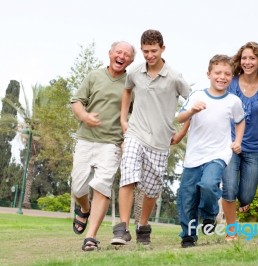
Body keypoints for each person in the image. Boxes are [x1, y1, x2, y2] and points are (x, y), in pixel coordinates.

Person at [110, 29, 191, 246]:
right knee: (128, 174)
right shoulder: (135, 72)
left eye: (153, 51)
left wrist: (182, 131)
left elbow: (191, 102)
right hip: (136, 133)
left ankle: (142, 225)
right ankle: (122, 228)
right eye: (145, 51)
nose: (149, 55)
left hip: (160, 141)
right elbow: (127, 91)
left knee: (152, 189)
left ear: (163, 49)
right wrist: (123, 119)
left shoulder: (174, 77)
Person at [70, 41, 135, 251]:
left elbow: (134, 114)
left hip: (112, 143)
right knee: (77, 187)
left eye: (126, 54)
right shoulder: (94, 76)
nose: (122, 56)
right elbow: (76, 102)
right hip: (86, 139)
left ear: (131, 60)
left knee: (102, 186)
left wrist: (128, 138)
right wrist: (85, 116)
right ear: (110, 54)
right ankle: (84, 207)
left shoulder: (131, 84)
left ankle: (91, 237)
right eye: (119, 52)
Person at [177, 54, 245, 248]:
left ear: (231, 77)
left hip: (219, 153)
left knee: (208, 185)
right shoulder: (197, 95)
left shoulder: (233, 101)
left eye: (227, 74)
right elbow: (180, 118)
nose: (222, 77)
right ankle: (188, 236)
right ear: (208, 74)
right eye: (218, 72)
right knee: (188, 197)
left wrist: (237, 141)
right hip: (194, 156)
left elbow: (240, 122)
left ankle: (209, 215)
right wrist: (191, 111)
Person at [221, 42, 258, 241]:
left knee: (246, 196)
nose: (247, 62)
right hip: (230, 144)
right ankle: (232, 230)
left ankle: (240, 201)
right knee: (229, 188)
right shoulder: (231, 82)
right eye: (244, 58)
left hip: (255, 148)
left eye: (252, 58)